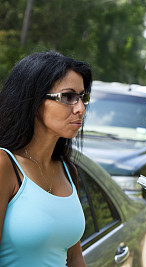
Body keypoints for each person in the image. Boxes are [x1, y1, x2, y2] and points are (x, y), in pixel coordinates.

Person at [0, 52, 92, 266]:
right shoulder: (5, 164)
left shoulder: (68, 171)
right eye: (68, 97)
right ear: (34, 100)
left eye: (82, 97)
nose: (80, 108)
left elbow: (75, 258)